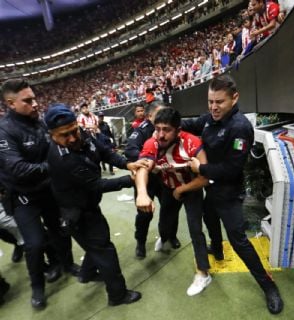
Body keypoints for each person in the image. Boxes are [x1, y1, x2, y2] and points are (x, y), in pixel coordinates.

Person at [185, 74, 283, 314]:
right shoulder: (210, 118)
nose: (213, 107)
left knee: (239, 242)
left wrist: (201, 169)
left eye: (219, 102)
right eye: (210, 102)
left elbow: (232, 169)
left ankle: (269, 286)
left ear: (234, 98)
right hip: (211, 188)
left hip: (228, 193)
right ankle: (217, 249)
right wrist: (169, 120)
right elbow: (194, 124)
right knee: (209, 219)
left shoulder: (239, 128)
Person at [44, 103, 148, 306]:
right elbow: (96, 185)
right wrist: (131, 180)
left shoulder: (82, 134)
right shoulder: (63, 160)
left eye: (74, 131)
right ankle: (117, 296)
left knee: (96, 245)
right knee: (104, 249)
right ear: (52, 135)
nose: (73, 138)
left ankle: (86, 273)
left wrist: (127, 164)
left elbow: (106, 152)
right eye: (65, 135)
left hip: (88, 205)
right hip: (78, 213)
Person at [0, 79, 79, 309]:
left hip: (48, 191)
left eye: (34, 98)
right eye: (28, 100)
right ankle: (38, 287)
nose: (35, 104)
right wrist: (55, 166)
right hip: (23, 197)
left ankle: (67, 264)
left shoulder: (41, 122)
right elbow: (18, 169)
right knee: (34, 244)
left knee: (60, 230)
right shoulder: (4, 131)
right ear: (11, 103)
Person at [135, 107, 211, 296]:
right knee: (165, 221)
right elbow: (142, 168)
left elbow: (205, 177)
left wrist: (182, 189)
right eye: (158, 128)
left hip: (191, 188)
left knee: (195, 229)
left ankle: (203, 273)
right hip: (168, 188)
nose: (161, 135)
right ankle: (165, 236)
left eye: (166, 129)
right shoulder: (152, 142)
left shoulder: (192, 143)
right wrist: (142, 193)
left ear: (178, 130)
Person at [125, 101, 181, 259]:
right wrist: (147, 161)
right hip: (147, 179)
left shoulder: (171, 129)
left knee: (170, 209)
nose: (164, 118)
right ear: (150, 116)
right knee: (144, 214)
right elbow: (130, 150)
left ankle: (171, 235)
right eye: (160, 115)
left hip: (165, 177)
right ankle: (140, 243)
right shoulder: (142, 131)